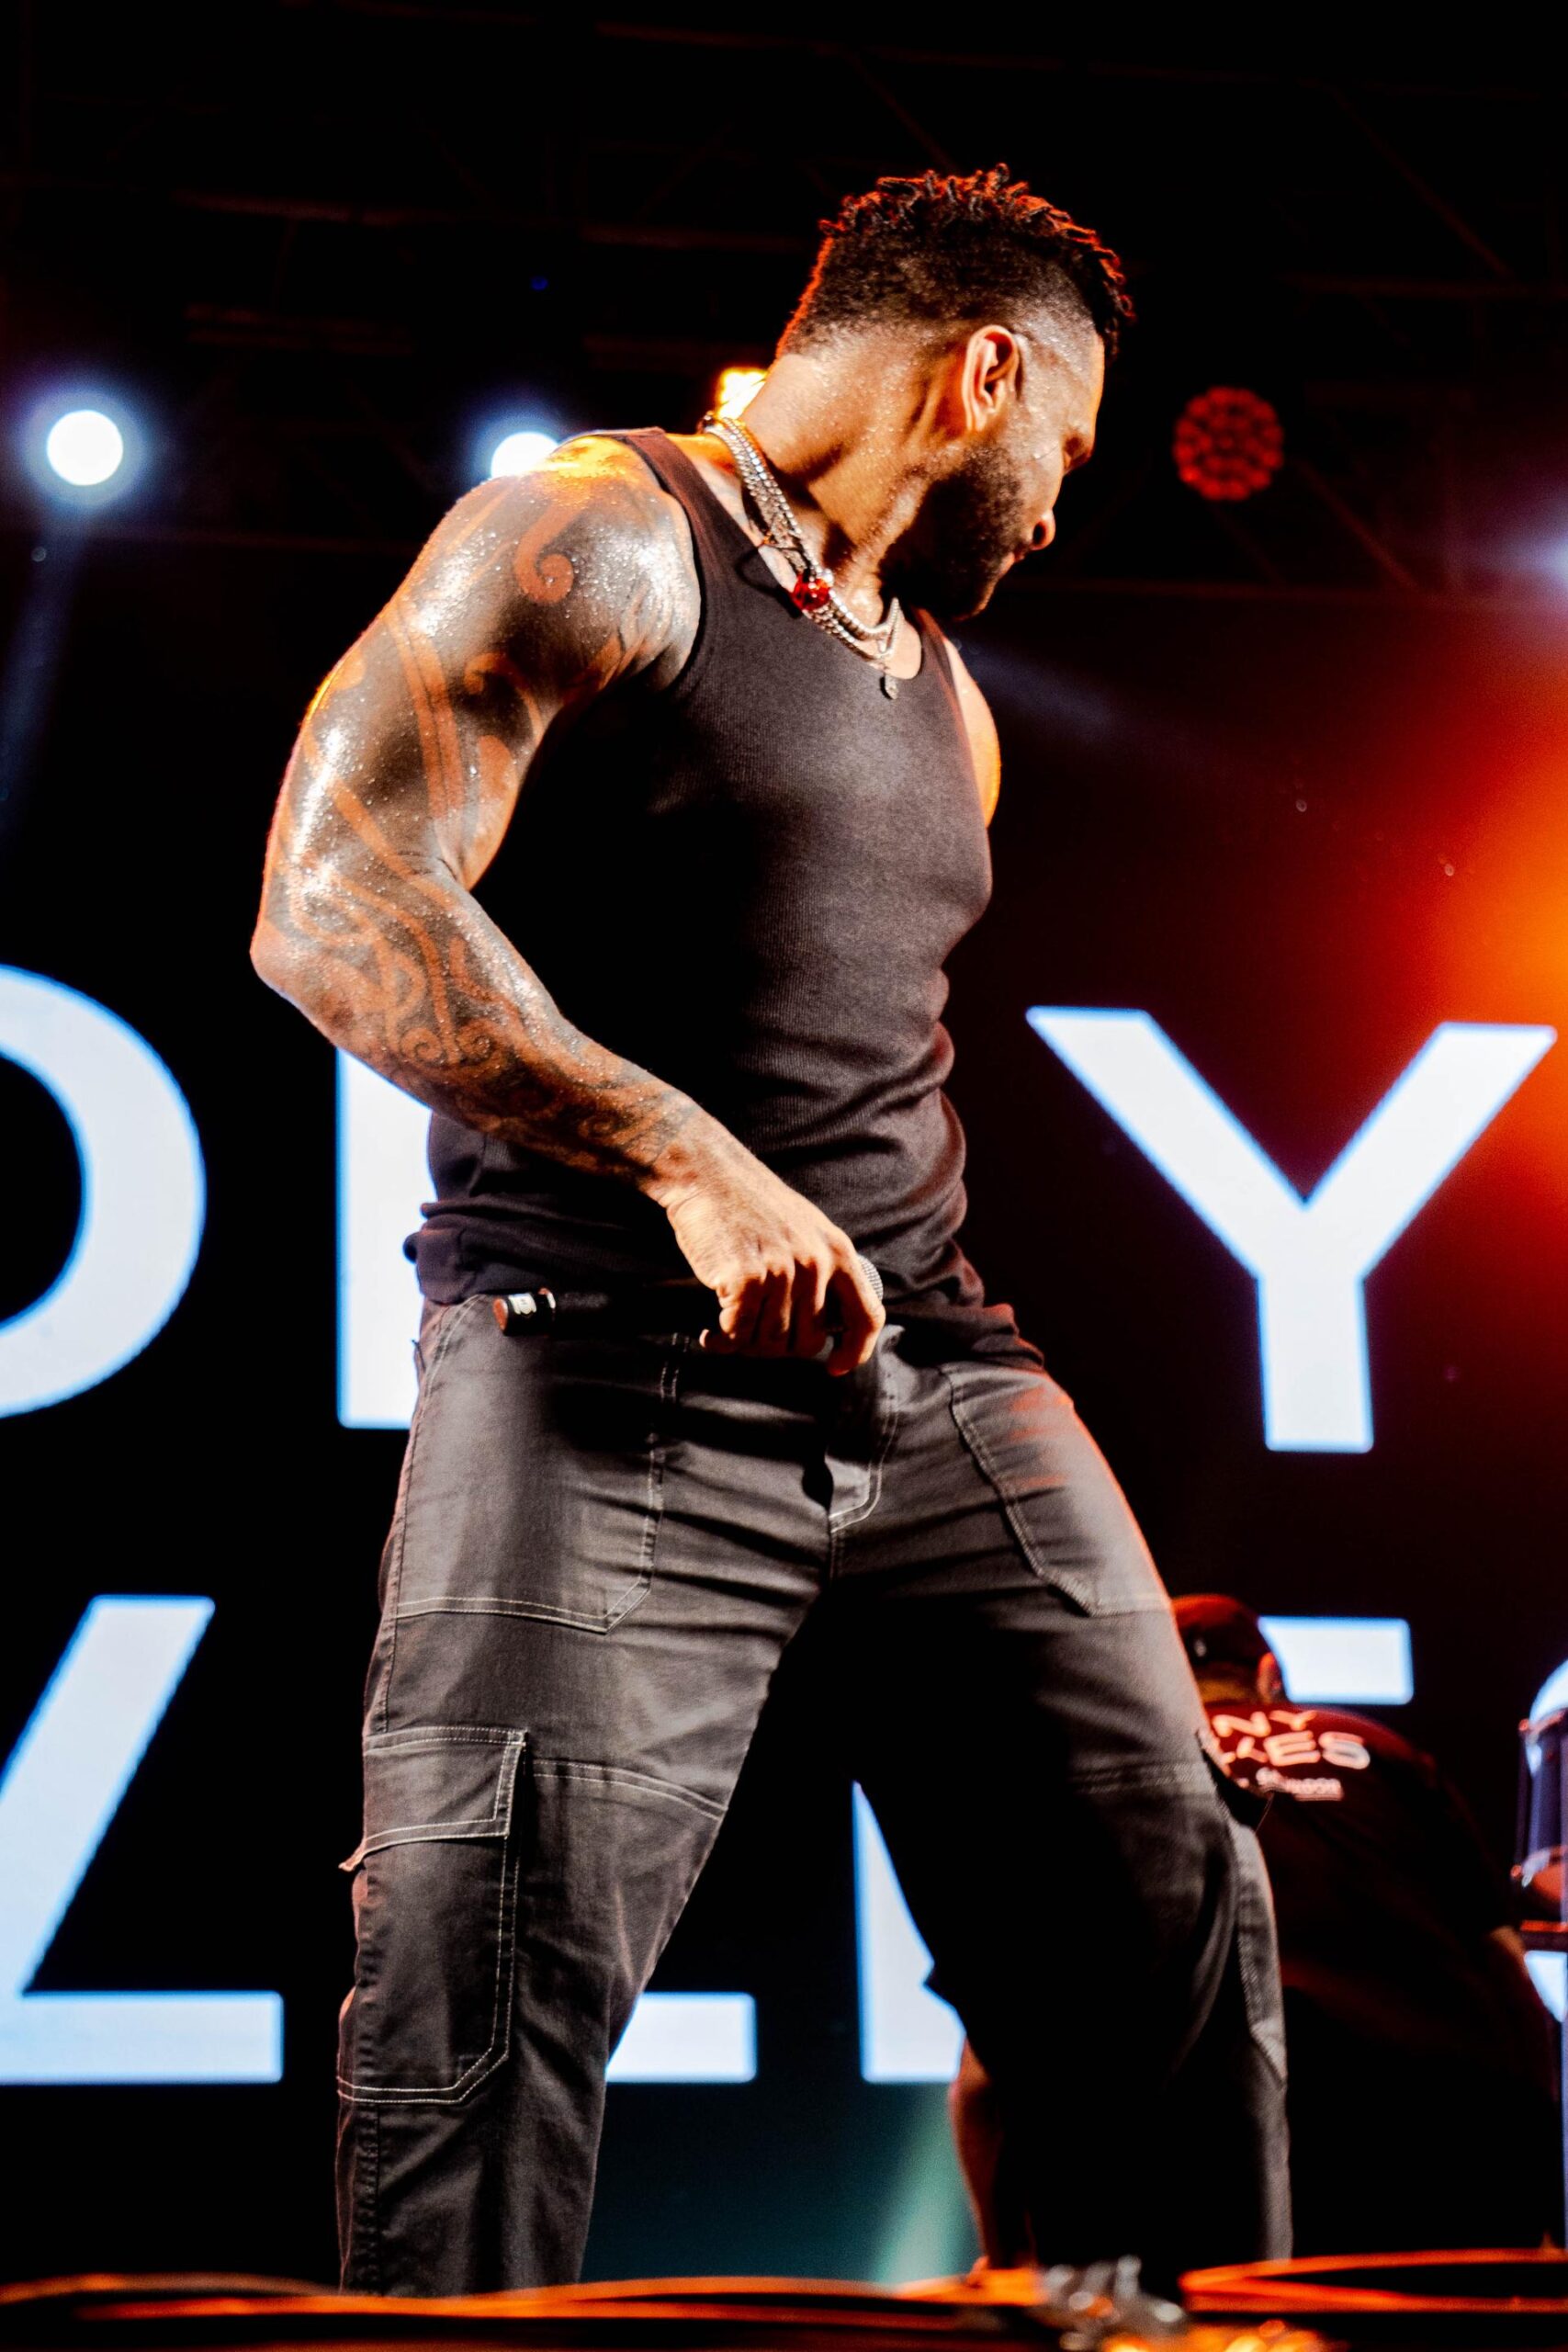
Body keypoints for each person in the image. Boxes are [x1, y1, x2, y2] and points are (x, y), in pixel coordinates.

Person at [251, 164, 1288, 2298]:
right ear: (975, 375)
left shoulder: (945, 703)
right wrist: (680, 1154)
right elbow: (333, 902)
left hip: (936, 1367)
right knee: (484, 1972)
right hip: (595, 1350)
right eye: (1064, 444)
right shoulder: (602, 535)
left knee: (1166, 1900)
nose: (1057, 509)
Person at [953, 1593, 1561, 2264]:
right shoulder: (1381, 1750)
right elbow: (1511, 1980)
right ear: (1269, 1677)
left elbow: (985, 2075)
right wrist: (1539, 2204)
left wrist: (1004, 2261)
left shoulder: (1105, 1771)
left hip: (1220, 2153)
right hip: (1449, 2141)